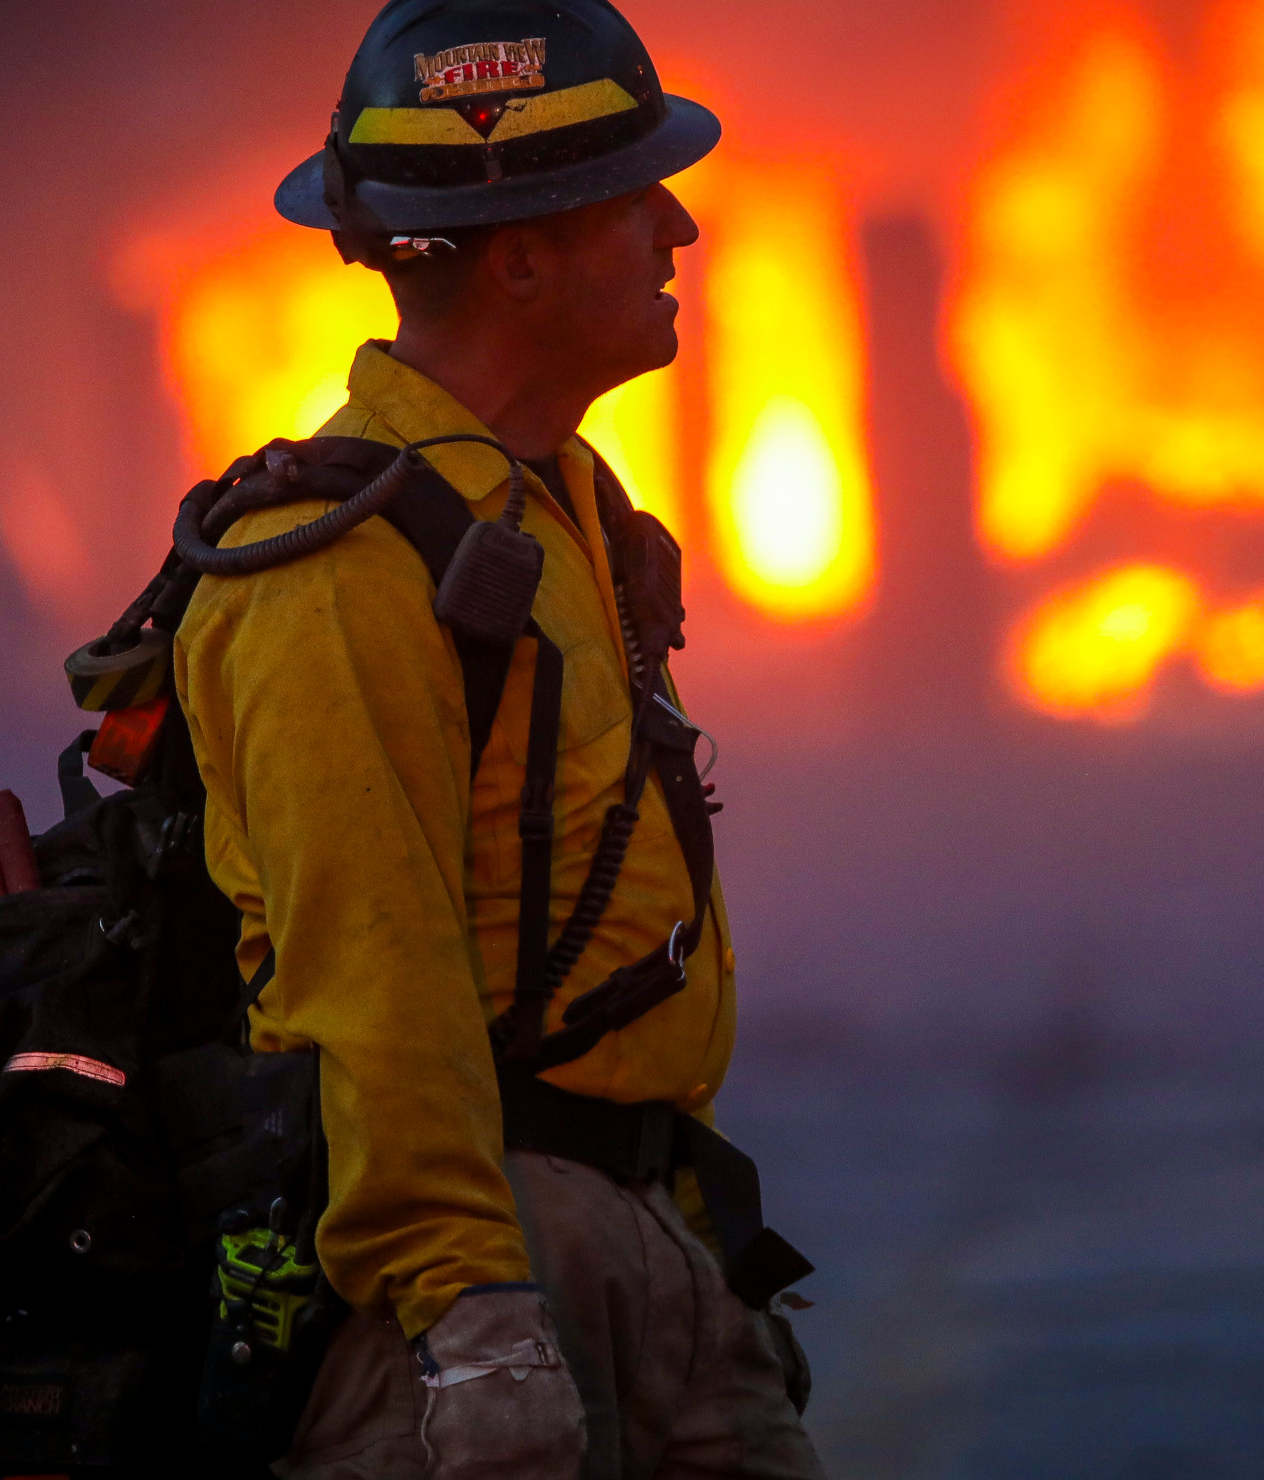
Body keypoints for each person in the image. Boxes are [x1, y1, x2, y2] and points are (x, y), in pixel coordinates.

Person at [171, 3, 822, 1476]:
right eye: (633, 197)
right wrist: (470, 1311)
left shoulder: (557, 511)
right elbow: (369, 972)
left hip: (643, 1241)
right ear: (519, 256)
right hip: (473, 1279)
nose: (680, 228)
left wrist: (680, 1259)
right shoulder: (336, 565)